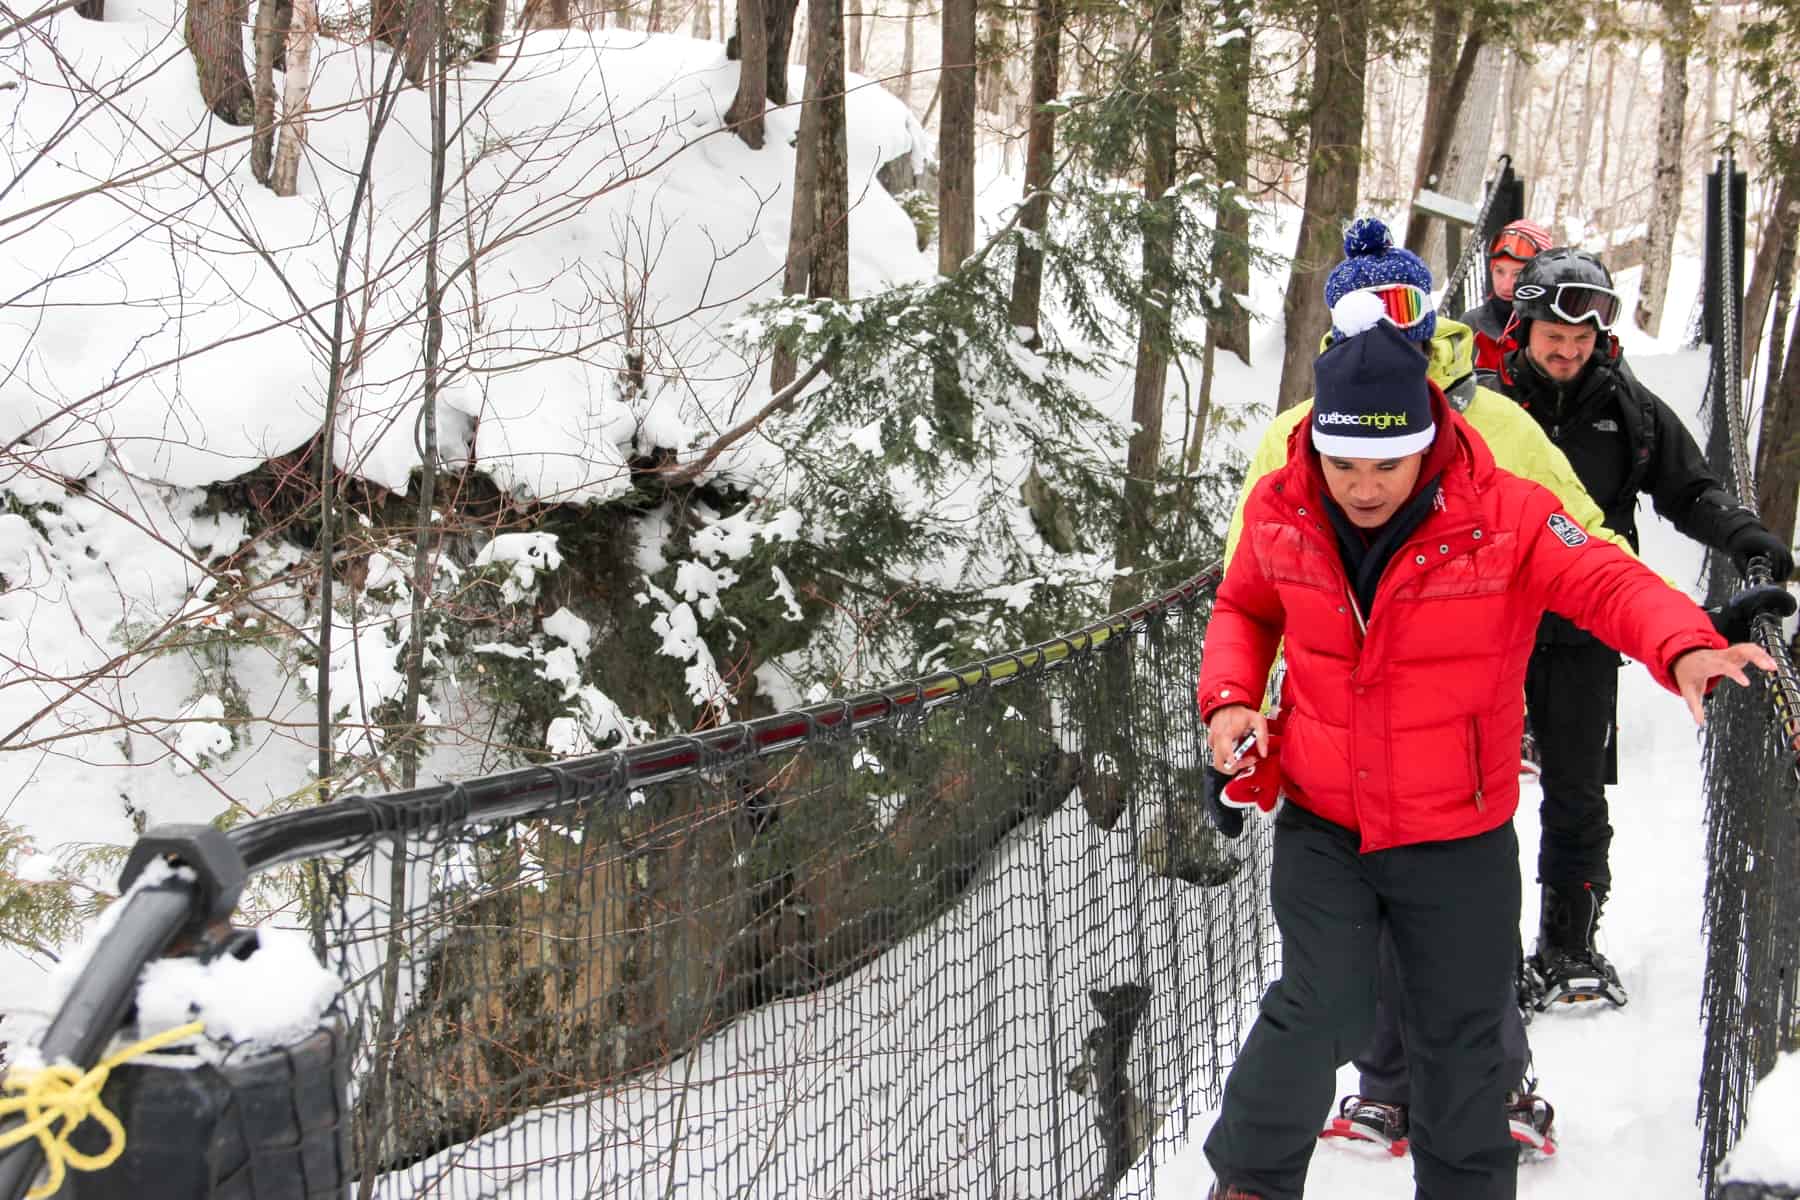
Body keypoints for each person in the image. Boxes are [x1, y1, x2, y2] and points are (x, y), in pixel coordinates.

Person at [1196, 298, 1777, 1200]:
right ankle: (1248, 1186)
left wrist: (1684, 643)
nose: (1361, 483)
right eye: (1341, 459)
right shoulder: (1283, 506)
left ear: (1428, 434)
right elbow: (1245, 607)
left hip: (1457, 831)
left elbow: (1604, 577)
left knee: (1463, 1038)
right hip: (1325, 820)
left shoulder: (1504, 511)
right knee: (1320, 1008)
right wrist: (1231, 701)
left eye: (1385, 462)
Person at [1221, 217, 1601, 1159]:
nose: (1386, 330)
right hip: (1340, 738)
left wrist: (1627, 620)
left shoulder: (1490, 420)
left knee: (1455, 948)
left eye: (1403, 311)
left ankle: (1489, 1089)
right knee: (1354, 948)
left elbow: (1583, 537)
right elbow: (1256, 585)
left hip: (1462, 707)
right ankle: (1385, 1088)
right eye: (1367, 312)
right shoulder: (1295, 437)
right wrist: (1241, 708)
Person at [1488, 247, 1797, 1010]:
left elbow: (1689, 489)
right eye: (1552, 339)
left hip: (1588, 626)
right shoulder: (1484, 405)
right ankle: (1477, 952)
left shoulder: (1626, 406)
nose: (1565, 353)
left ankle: (1568, 944)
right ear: (1523, 328)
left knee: (1576, 789)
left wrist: (1748, 539)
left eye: (1581, 342)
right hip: (1490, 627)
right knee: (1475, 794)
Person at [1460, 219, 1552, 374]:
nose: (1505, 286)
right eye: (1499, 271)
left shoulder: (1556, 330)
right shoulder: (1471, 326)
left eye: (1518, 274)